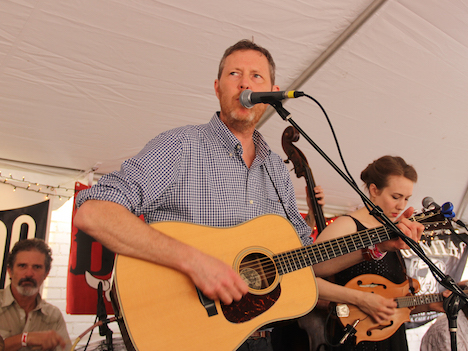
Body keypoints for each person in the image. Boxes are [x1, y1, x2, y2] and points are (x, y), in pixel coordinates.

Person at [75, 39, 416, 351]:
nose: (245, 84)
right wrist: (194, 262)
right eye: (234, 74)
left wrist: (377, 244)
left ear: (273, 93)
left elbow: (310, 263)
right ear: (217, 87)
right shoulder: (181, 147)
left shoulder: (278, 171)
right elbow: (93, 211)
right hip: (186, 336)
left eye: (256, 76)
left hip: (260, 338)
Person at [312, 155, 427, 351]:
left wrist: (431, 305)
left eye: (406, 199)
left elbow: (390, 297)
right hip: (354, 337)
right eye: (396, 197)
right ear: (374, 190)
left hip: (389, 336)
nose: (401, 206)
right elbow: (306, 277)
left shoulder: (393, 231)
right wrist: (361, 299)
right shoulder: (347, 225)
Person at [0, 238, 70, 351]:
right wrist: (25, 339)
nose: (29, 274)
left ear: (46, 273)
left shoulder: (53, 316)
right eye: (22, 266)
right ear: (10, 271)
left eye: (37, 267)